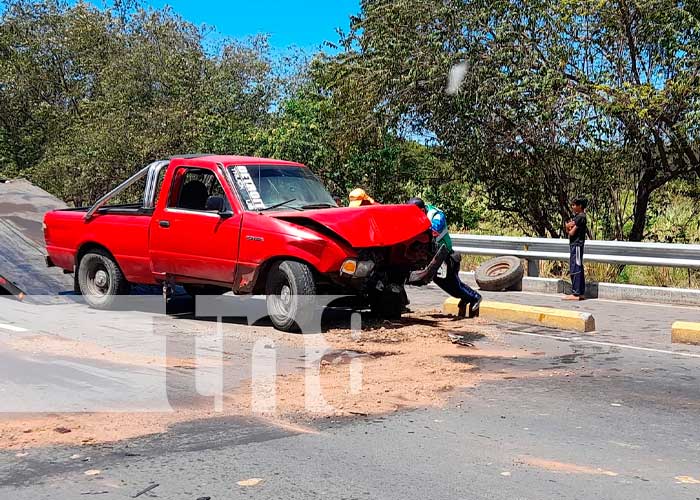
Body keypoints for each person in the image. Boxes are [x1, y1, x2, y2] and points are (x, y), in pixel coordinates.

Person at [407, 197, 482, 318]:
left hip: (445, 255)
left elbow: (433, 231)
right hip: (431, 255)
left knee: (452, 283)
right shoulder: (414, 215)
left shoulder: (436, 215)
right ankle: (466, 298)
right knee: (442, 283)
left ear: (422, 210)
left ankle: (474, 297)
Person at [564, 197, 588, 300]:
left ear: (580, 206)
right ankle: (580, 292)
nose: (573, 207)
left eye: (574, 205)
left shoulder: (580, 217)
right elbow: (570, 226)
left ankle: (576, 293)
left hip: (577, 245)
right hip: (576, 245)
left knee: (576, 267)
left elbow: (571, 232)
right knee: (578, 267)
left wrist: (568, 226)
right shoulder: (579, 217)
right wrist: (569, 226)